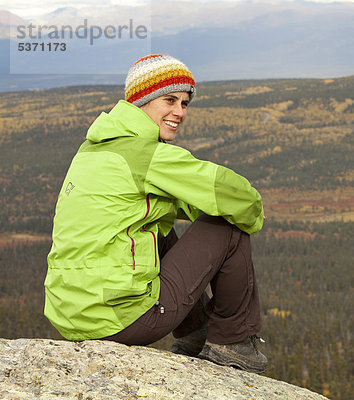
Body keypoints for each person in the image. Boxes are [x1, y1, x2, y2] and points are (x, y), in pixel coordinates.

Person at [44, 54, 268, 374]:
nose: (179, 111)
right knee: (229, 226)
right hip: (122, 320)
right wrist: (253, 215)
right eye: (169, 100)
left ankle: (195, 334)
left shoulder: (92, 150)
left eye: (185, 103)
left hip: (72, 316)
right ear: (142, 101)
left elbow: (158, 203)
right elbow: (238, 197)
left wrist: (191, 205)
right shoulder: (147, 155)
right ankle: (233, 342)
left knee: (157, 225)